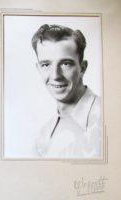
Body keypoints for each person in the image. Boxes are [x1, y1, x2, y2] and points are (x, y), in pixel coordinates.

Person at [31, 24, 101, 158]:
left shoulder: (112, 118)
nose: (55, 75)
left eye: (66, 64)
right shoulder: (43, 138)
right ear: (38, 68)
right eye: (46, 65)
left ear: (83, 68)